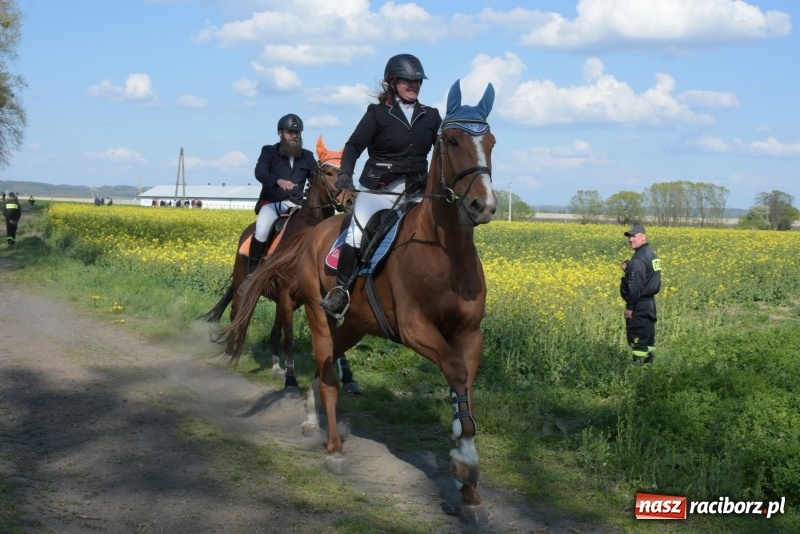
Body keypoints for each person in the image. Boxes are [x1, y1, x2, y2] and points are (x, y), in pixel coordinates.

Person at [319, 53, 442, 318]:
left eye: (418, 81)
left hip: (416, 191)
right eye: (408, 80)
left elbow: (443, 151)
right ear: (393, 81)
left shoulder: (430, 116)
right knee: (356, 234)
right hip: (379, 190)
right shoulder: (377, 113)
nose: (414, 85)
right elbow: (353, 146)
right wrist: (346, 173)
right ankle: (341, 291)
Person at [238, 113, 318, 295]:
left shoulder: (307, 156)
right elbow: (260, 172)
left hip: (298, 207)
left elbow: (317, 177)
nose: (295, 135)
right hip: (273, 204)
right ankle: (252, 274)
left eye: (297, 132)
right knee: (262, 229)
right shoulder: (269, 151)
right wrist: (278, 181)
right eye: (290, 132)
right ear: (280, 133)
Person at [619, 224, 662, 364]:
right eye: (629, 236)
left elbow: (635, 285)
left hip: (639, 305)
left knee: (638, 339)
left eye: (634, 236)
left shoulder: (638, 259)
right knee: (648, 337)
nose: (631, 239)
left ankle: (637, 371)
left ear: (644, 237)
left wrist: (630, 307)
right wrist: (629, 269)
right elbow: (648, 277)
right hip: (649, 304)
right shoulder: (651, 253)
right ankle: (649, 368)